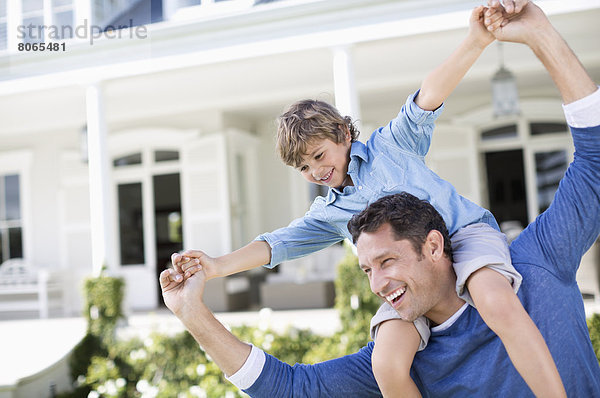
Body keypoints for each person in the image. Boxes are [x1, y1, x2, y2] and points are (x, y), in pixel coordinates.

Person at [161, 1, 600, 396]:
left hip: (468, 237)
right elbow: (278, 246)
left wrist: (481, 39)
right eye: (303, 169)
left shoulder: (394, 147)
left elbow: (428, 97)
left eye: (318, 156)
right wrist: (211, 277)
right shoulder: (331, 212)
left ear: (345, 133)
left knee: (494, 297)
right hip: (412, 302)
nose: (315, 172)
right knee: (386, 361)